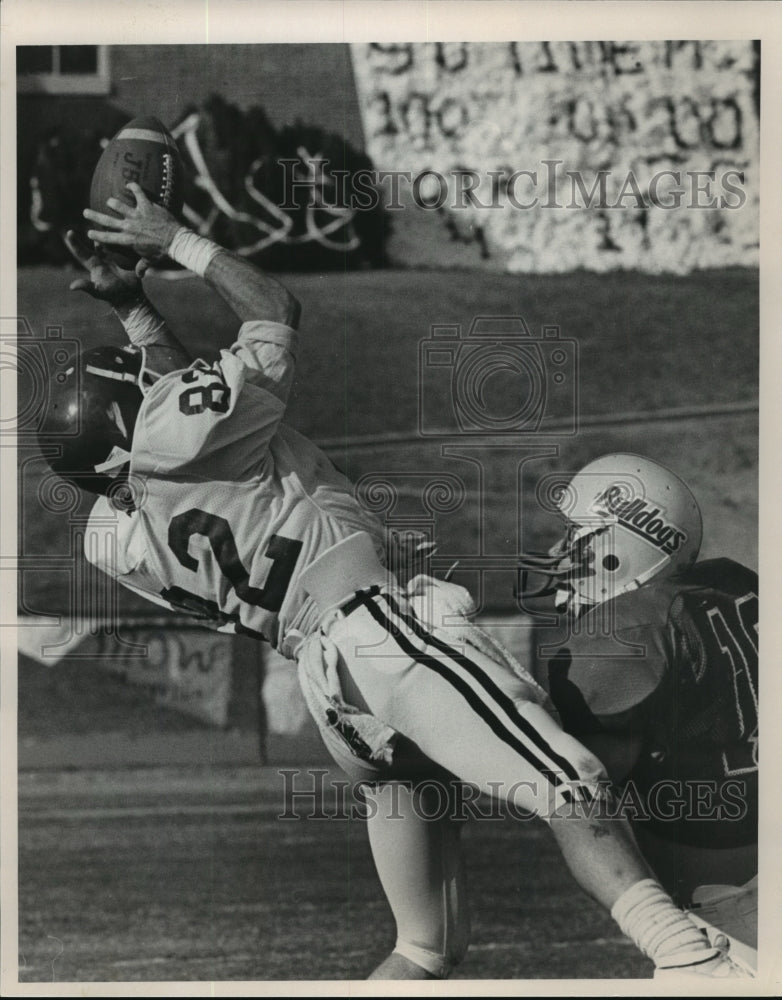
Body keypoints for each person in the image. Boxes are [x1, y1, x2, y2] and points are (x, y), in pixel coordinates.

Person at [37, 182, 747, 980]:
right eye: (145, 386)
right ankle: (693, 963)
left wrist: (135, 313)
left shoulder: (115, 536)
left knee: (425, 947)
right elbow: (273, 308)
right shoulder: (181, 436)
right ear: (143, 420)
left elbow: (174, 425)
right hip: (380, 636)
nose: (161, 380)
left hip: (331, 692)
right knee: (567, 781)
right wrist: (176, 239)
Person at [517, 453, 758, 971]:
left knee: (566, 787)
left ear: (617, 550)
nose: (560, 551)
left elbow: (570, 782)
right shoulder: (736, 589)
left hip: (729, 915)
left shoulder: (626, 632)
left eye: (574, 536)